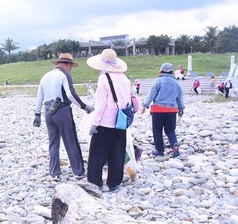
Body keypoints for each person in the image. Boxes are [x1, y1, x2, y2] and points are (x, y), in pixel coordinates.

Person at [33, 53, 94, 180]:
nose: (70, 69)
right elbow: (71, 95)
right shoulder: (64, 75)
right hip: (61, 110)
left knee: (53, 143)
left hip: (48, 111)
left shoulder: (45, 76)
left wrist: (37, 114)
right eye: (71, 66)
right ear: (67, 64)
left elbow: (40, 97)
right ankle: (78, 171)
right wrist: (85, 107)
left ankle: (54, 172)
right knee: (70, 140)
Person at [86, 49, 138, 192]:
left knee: (97, 153)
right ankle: (114, 182)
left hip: (105, 122)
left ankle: (95, 182)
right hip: (121, 121)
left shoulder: (104, 78)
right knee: (117, 152)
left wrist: (94, 123)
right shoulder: (125, 79)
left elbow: (101, 104)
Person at [141, 63, 185, 158]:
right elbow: (179, 98)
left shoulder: (158, 81)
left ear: (161, 71)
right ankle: (175, 145)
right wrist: (181, 109)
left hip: (158, 110)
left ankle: (159, 150)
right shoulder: (176, 83)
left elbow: (151, 94)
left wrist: (145, 105)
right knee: (170, 130)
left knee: (157, 130)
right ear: (172, 72)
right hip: (172, 110)